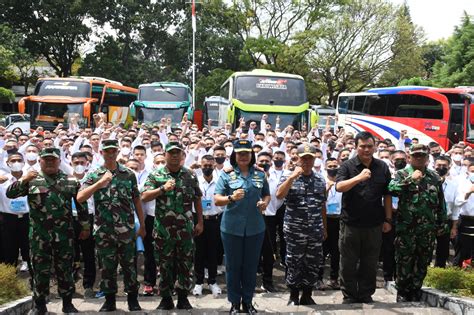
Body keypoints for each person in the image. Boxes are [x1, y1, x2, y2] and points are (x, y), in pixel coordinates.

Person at [7, 147, 90, 314]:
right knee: (39, 270)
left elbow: (82, 205)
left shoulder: (70, 181)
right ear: (40, 161)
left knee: (65, 269)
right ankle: (40, 305)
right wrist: (23, 179)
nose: (50, 162)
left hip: (64, 235)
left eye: (53, 160)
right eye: (46, 160)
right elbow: (10, 194)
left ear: (60, 161)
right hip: (39, 235)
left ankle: (67, 303)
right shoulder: (31, 180)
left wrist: (85, 226)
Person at [77, 139, 146, 312]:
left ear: (117, 152)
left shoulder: (128, 174)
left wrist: (142, 225)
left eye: (113, 151)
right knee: (107, 267)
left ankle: (132, 299)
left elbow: (136, 200)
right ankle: (109, 300)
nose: (110, 154)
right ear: (101, 153)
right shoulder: (94, 174)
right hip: (104, 230)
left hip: (126, 229)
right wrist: (99, 184)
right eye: (107, 151)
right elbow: (80, 197)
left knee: (129, 266)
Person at [142, 142, 204, 310]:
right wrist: (162, 188)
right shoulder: (156, 175)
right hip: (164, 230)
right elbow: (144, 196)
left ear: (182, 155)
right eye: (171, 153)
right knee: (164, 264)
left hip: (186, 229)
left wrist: (200, 221)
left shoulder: (190, 175)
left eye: (177, 152)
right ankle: (166, 298)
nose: (174, 155)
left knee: (185, 264)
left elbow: (197, 198)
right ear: (166, 155)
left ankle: (183, 297)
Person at [214, 140, 271, 315]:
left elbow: (267, 194)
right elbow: (217, 199)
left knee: (251, 266)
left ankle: (247, 301)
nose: (244, 156)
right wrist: (231, 198)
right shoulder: (226, 174)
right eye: (240, 153)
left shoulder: (260, 174)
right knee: (233, 266)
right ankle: (234, 303)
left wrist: (264, 203)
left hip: (255, 228)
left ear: (251, 155)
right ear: (235, 156)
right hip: (232, 228)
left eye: (247, 153)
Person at [335, 131, 392, 304]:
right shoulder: (347, 166)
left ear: (374, 146)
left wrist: (388, 219)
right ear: (356, 147)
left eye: (369, 146)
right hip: (350, 223)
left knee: (370, 261)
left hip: (374, 224)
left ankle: (366, 294)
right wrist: (358, 178)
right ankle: (350, 295)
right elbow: (339, 187)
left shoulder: (382, 166)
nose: (366, 150)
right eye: (362, 146)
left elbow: (387, 195)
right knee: (348, 262)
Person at [388, 144, 448, 302]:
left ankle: (415, 289)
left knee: (423, 261)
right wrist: (410, 180)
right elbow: (392, 189)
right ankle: (402, 290)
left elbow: (441, 202)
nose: (419, 158)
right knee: (404, 260)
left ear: (428, 158)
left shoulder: (434, 177)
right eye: (415, 155)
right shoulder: (401, 174)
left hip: (427, 229)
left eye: (422, 155)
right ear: (409, 158)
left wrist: (442, 223)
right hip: (406, 228)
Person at [276, 143, 327, 306]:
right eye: (303, 158)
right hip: (294, 229)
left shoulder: (319, 178)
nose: (306, 162)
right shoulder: (288, 176)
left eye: (309, 159)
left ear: (314, 160)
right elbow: (279, 195)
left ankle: (307, 293)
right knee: (294, 261)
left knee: (313, 262)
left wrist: (324, 226)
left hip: (315, 228)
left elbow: (322, 205)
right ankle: (293, 295)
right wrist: (292, 177)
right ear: (297, 159)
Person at [192, 155, 223, 297]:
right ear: (200, 165)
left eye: (210, 165)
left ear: (214, 165)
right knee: (198, 252)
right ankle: (198, 282)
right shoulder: (195, 181)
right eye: (204, 165)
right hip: (198, 220)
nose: (207, 168)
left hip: (214, 220)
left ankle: (212, 281)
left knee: (213, 252)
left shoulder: (220, 181)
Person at [0, 150, 32, 275]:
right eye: (13, 161)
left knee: (29, 250)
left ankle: (34, 284)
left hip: (27, 219)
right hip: (8, 220)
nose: (16, 163)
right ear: (7, 163)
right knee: (8, 252)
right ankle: (10, 282)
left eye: (19, 160)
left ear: (24, 163)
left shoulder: (30, 179)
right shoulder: (3, 180)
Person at [70, 152, 96, 298]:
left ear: (87, 164)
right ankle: (69, 285)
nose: (79, 165)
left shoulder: (92, 179)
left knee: (88, 253)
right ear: (71, 163)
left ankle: (88, 285)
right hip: (69, 219)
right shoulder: (66, 179)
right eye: (76, 162)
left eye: (82, 162)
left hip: (89, 218)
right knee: (69, 253)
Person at [318, 157, 342, 290]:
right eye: (330, 166)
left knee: (336, 251)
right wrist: (326, 189)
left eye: (335, 166)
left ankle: (334, 279)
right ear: (325, 167)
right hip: (324, 219)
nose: (333, 168)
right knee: (321, 251)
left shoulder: (342, 182)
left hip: (339, 219)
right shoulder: (321, 181)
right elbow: (319, 201)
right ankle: (319, 279)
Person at [434, 155, 459, 268]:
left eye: (444, 165)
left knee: (443, 250)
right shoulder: (426, 183)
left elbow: (455, 208)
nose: (441, 167)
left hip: (445, 221)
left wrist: (454, 227)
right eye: (439, 165)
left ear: (449, 167)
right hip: (428, 220)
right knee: (424, 250)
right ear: (434, 166)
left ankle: (438, 273)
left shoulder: (454, 186)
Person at [453, 160, 474, 267]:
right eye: (473, 171)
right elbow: (457, 203)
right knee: (461, 253)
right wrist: (468, 193)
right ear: (468, 171)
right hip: (465, 220)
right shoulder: (461, 183)